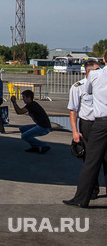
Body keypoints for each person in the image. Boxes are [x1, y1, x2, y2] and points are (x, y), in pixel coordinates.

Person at [64, 50, 107, 208]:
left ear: (104, 59)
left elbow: (89, 90)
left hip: (101, 122)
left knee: (91, 161)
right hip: (91, 122)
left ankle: (82, 198)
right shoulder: (78, 86)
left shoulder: (96, 75)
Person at [10, 89, 52, 154]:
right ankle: (35, 147)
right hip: (41, 125)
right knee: (22, 128)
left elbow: (19, 111)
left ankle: (44, 145)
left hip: (44, 127)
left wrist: (14, 102)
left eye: (24, 97)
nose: (23, 99)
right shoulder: (31, 104)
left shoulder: (32, 105)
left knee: (24, 136)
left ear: (29, 98)